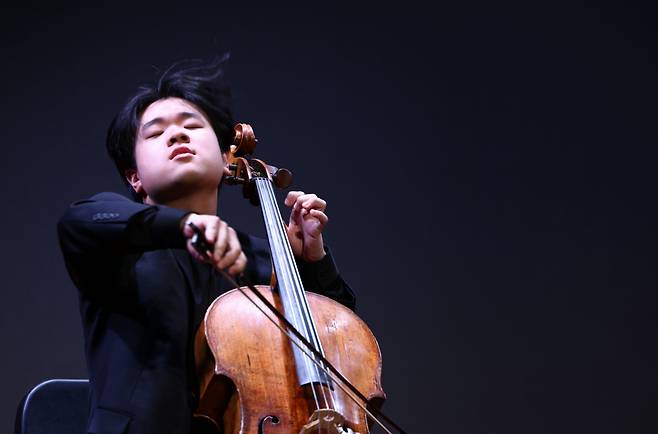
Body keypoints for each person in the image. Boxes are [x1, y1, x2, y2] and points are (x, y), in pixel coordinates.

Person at [57, 57, 356, 434]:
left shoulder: (264, 259)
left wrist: (310, 261)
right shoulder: (117, 243)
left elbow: (339, 353)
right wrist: (186, 225)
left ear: (224, 159)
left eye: (192, 126)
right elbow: (79, 221)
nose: (177, 135)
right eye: (155, 133)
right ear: (135, 177)